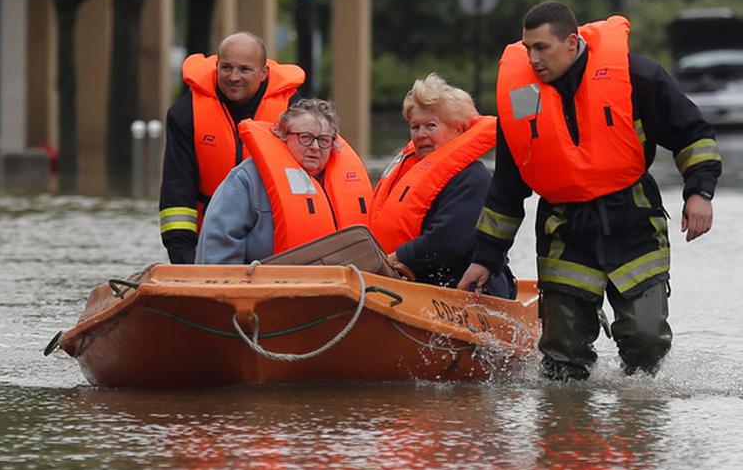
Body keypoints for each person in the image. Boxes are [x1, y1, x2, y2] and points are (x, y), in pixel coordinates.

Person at [457, 1, 721, 381]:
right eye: (527, 48)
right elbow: (507, 187)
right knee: (562, 360)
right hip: (565, 231)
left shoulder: (636, 76)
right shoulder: (522, 97)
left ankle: (636, 428)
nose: (532, 59)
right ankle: (568, 434)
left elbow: (694, 133)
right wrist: (486, 256)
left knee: (646, 344)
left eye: (541, 48)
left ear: (571, 42)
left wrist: (700, 192)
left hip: (633, 221)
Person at [159, 32, 306, 263]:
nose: (234, 77)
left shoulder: (294, 112)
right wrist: (185, 262)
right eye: (226, 68)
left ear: (264, 72)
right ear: (216, 66)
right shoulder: (186, 114)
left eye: (245, 69)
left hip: (274, 240)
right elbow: (177, 192)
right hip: (211, 238)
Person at [370, 74, 516, 297]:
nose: (420, 135)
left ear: (458, 130)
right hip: (413, 282)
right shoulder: (408, 172)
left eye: (430, 126)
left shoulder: (473, 179)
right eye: (415, 127)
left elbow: (448, 242)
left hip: (468, 288)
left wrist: (395, 259)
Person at [197, 99, 372, 264]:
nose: (315, 147)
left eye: (324, 140)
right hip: (265, 287)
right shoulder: (246, 180)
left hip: (337, 287)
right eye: (305, 137)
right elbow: (218, 246)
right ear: (282, 136)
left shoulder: (345, 182)